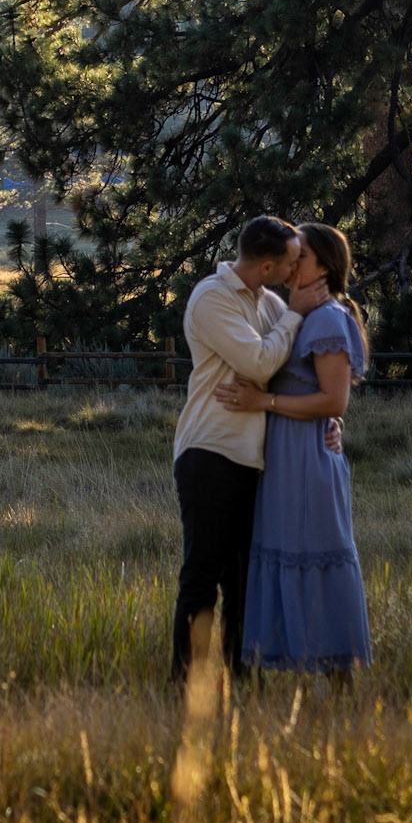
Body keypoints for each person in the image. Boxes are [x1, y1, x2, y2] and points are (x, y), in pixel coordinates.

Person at [171, 214, 334, 684]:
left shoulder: (266, 305)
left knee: (244, 581)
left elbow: (292, 371)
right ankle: (185, 685)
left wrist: (331, 416)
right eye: (290, 263)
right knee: (202, 574)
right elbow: (259, 362)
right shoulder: (212, 298)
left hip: (253, 460)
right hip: (210, 451)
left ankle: (243, 683)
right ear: (266, 266)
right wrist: (296, 313)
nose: (295, 271)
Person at [216, 221, 372, 675]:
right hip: (284, 456)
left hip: (306, 457)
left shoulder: (327, 318)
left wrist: (263, 401)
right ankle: (295, 665)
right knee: (285, 555)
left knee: (314, 555)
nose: (290, 265)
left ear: (323, 265)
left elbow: (334, 399)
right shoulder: (299, 313)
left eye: (299, 257)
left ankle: (336, 672)